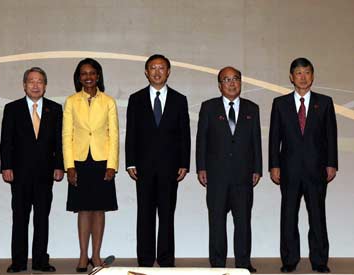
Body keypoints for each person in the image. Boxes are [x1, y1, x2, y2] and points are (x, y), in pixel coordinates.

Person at [269, 58, 337, 273]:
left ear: (313, 76)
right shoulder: (280, 104)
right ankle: (289, 260)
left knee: (317, 215)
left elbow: (331, 136)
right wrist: (274, 165)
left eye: (307, 72)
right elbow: (274, 138)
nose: (303, 77)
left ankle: (319, 261)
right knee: (288, 215)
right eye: (298, 73)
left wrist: (331, 163)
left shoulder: (325, 102)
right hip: (288, 169)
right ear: (291, 77)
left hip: (317, 169)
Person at [125, 54, 191, 267]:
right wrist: (130, 162)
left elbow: (184, 134)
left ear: (168, 72)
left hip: (170, 168)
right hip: (143, 168)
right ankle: (144, 260)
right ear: (146, 72)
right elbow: (131, 133)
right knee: (144, 215)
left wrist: (184, 163)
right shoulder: (136, 99)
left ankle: (165, 260)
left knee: (166, 215)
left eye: (161, 67)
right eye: (152, 67)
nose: (157, 71)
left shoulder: (179, 100)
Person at [196, 66, 261, 272]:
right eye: (226, 80)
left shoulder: (252, 108)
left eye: (236, 79)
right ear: (219, 85)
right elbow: (201, 140)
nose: (232, 83)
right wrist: (201, 167)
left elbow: (256, 141)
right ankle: (217, 264)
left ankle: (243, 262)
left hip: (243, 175)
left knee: (243, 222)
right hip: (216, 175)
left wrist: (257, 168)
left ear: (241, 83)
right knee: (216, 221)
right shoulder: (208, 107)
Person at [0, 67, 64, 273]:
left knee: (41, 218)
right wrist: (6, 166)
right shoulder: (12, 109)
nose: (35, 85)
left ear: (45, 86)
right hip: (19, 174)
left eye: (40, 81)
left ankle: (40, 261)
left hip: (46, 174)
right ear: (24, 85)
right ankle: (18, 262)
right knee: (20, 218)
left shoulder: (54, 109)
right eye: (31, 81)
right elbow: (6, 141)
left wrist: (59, 166)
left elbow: (59, 142)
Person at [63, 58, 119, 272]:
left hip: (102, 160)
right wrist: (69, 165)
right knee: (83, 209)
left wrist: (112, 164)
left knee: (99, 210)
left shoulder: (109, 101)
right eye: (83, 73)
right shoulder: (71, 101)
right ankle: (83, 255)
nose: (88, 77)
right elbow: (66, 134)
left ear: (98, 76)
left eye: (92, 73)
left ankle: (96, 256)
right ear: (79, 77)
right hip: (78, 160)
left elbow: (113, 135)